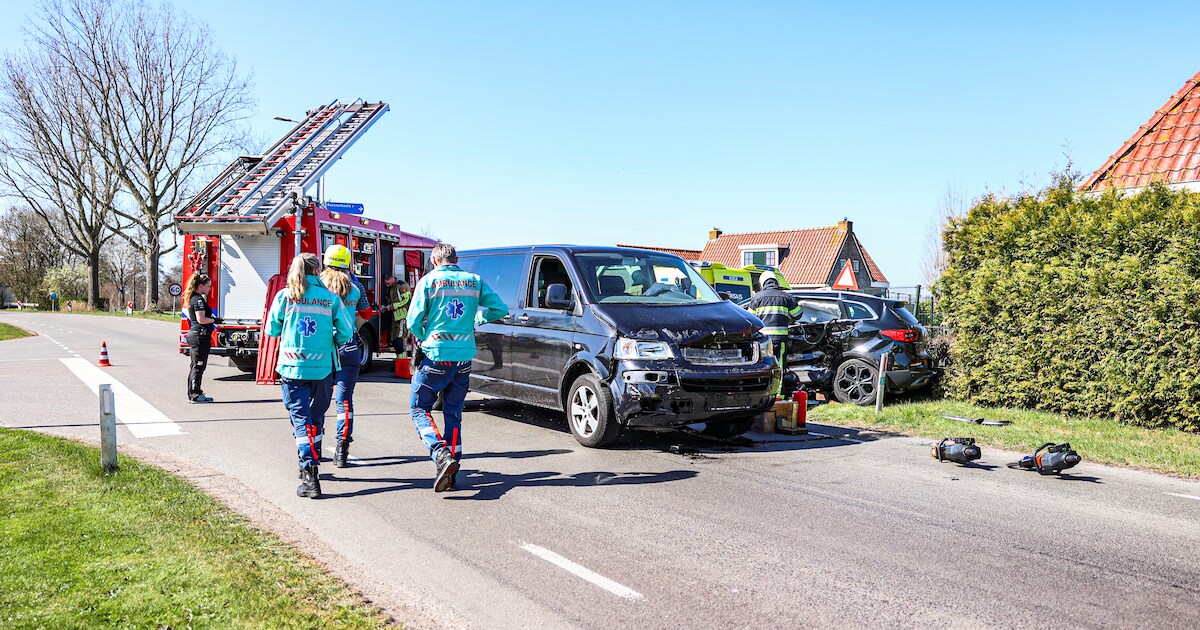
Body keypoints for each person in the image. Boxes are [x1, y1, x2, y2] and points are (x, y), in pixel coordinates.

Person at [406, 243, 508, 492]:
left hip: (436, 356)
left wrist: (425, 336)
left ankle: (440, 454)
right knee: (453, 414)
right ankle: (451, 473)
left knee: (419, 409)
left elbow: (413, 321)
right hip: (463, 359)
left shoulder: (429, 281)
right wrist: (476, 319)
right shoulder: (474, 281)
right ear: (456, 259)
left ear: (433, 259)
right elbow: (500, 309)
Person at [266, 253, 354, 499]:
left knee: (300, 422)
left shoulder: (285, 296)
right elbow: (346, 332)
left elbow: (271, 328)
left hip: (292, 368)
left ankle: (309, 474)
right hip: (323, 367)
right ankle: (312, 463)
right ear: (317, 271)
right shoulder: (330, 298)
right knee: (315, 419)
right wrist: (328, 340)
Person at [319, 244, 376, 468]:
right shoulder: (356, 287)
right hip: (349, 348)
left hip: (323, 349)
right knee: (344, 402)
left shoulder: (319, 286)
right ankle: (342, 449)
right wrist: (354, 327)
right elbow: (367, 313)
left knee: (318, 401)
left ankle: (314, 445)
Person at [748, 276, 802, 392]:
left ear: (762, 283)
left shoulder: (757, 297)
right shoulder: (786, 297)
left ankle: (762, 392)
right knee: (779, 367)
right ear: (776, 282)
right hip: (779, 340)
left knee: (762, 366)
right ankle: (778, 395)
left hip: (762, 342)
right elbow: (798, 315)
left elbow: (749, 319)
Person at [182, 274, 219, 403]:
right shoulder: (197, 299)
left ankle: (195, 392)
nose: (210, 289)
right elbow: (201, 319)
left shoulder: (195, 298)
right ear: (201, 286)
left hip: (199, 336)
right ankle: (195, 395)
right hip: (199, 336)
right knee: (198, 366)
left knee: (197, 366)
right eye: (208, 286)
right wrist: (214, 320)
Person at [381, 275, 412, 357]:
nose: (387, 285)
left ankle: (402, 363)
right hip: (395, 317)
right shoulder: (391, 288)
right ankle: (399, 363)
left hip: (403, 317)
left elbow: (407, 300)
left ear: (391, 279)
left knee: (400, 340)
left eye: (388, 283)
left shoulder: (402, 285)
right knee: (395, 341)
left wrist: (392, 306)